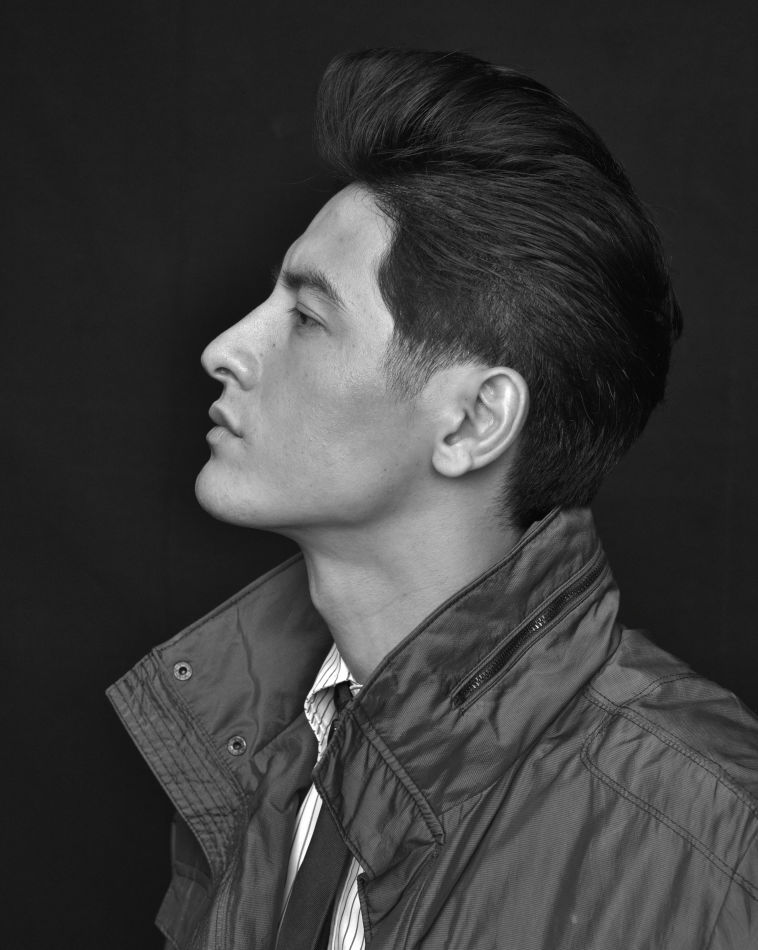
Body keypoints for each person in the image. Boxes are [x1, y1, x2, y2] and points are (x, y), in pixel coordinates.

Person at [108, 48, 758, 949]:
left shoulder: (715, 844)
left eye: (308, 317)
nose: (226, 348)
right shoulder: (261, 746)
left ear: (472, 422)